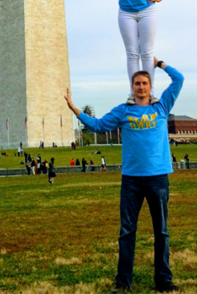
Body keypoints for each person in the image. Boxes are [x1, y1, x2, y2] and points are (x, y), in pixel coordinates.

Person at [64, 57, 183, 293]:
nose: (141, 87)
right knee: (127, 232)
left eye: (145, 83)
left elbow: (178, 79)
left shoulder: (161, 107)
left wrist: (160, 64)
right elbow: (98, 125)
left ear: (150, 87)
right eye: (137, 83)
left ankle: (163, 280)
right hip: (131, 180)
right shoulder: (123, 111)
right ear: (132, 87)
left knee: (161, 231)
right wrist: (75, 109)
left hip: (158, 177)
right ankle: (122, 283)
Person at [60, 0, 175, 103]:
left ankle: (149, 93)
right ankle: (133, 94)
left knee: (147, 52)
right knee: (132, 53)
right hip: (126, 13)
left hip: (147, 11)